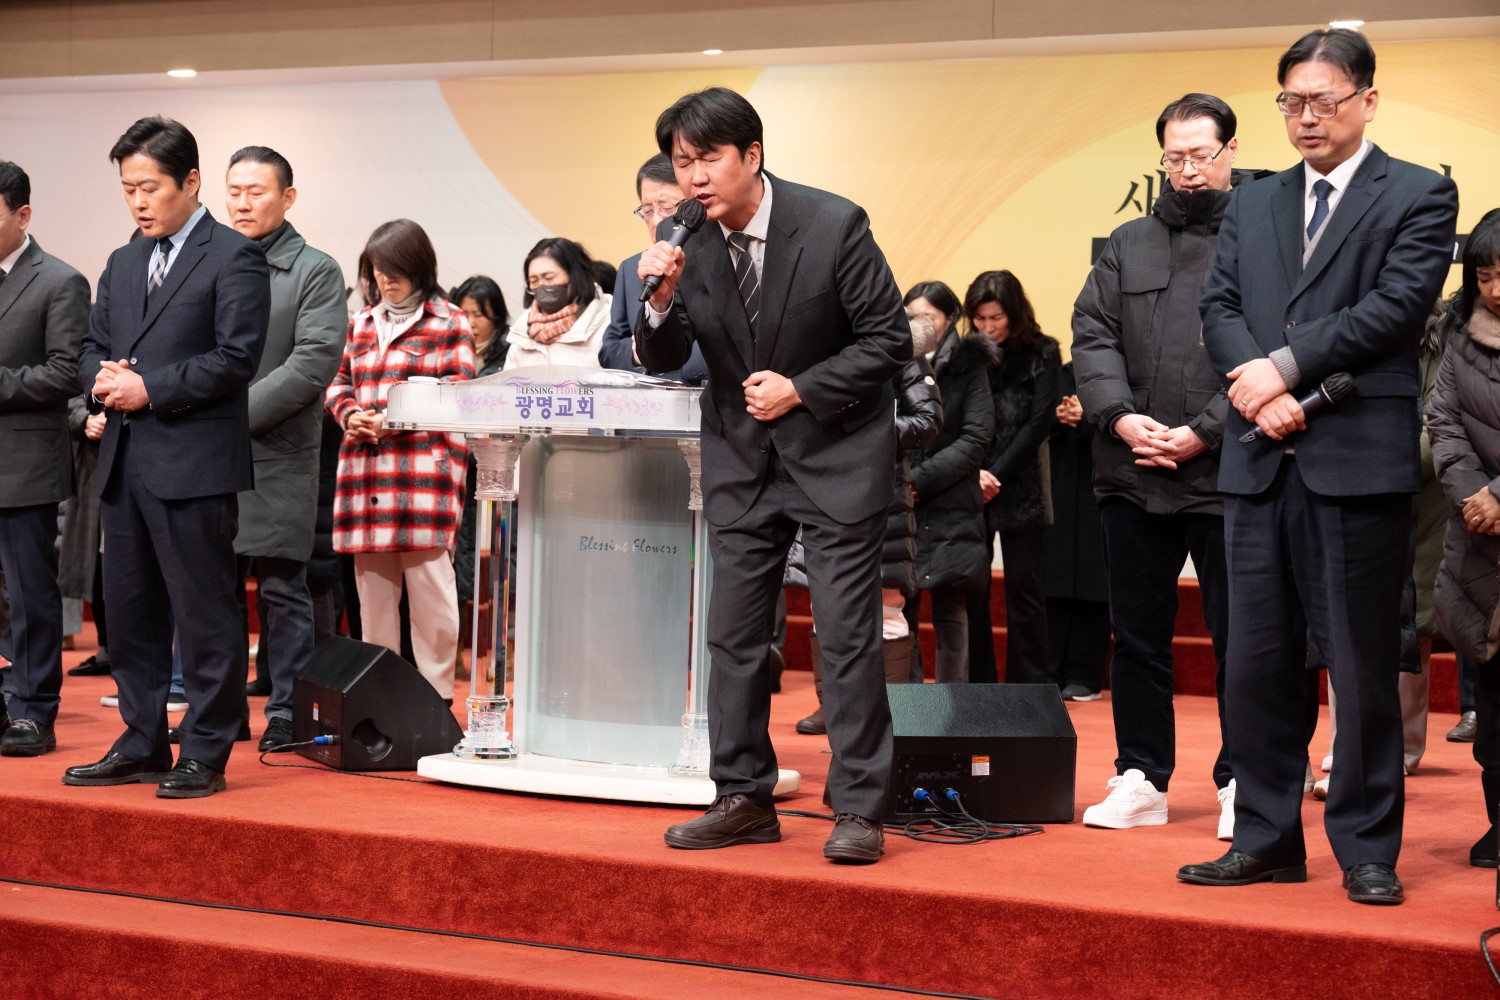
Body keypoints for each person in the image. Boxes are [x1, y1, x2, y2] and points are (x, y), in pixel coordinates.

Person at [1177, 29, 1458, 905]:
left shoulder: (1418, 193)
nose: (1306, 117)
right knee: (1255, 664)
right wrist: (1260, 391)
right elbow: (1220, 305)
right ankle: (1265, 838)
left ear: (1367, 101)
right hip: (1259, 458)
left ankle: (1367, 847)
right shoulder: (1255, 200)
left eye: (1323, 100)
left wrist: (1285, 369)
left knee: (1361, 667)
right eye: (1291, 101)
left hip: (1356, 461)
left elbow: (1397, 308)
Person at [635, 86, 911, 863]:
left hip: (835, 453)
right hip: (741, 461)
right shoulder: (685, 244)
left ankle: (859, 807)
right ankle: (743, 797)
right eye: (681, 163)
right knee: (733, 640)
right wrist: (658, 303)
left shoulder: (832, 224)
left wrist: (802, 389)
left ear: (751, 156)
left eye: (708, 159)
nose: (694, 179)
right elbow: (661, 357)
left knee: (846, 637)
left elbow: (889, 340)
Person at [64, 117, 271, 798]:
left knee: (204, 614)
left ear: (190, 181)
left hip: (194, 465)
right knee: (129, 613)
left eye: (149, 187)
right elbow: (91, 345)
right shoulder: (124, 261)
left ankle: (206, 748)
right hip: (124, 464)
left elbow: (236, 357)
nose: (138, 202)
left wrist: (148, 387)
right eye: (128, 189)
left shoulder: (233, 255)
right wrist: (102, 377)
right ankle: (142, 739)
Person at [1071, 94, 1260, 838]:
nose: (1187, 170)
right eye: (1174, 157)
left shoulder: (1261, 237)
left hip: (1230, 473)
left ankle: (1245, 779)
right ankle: (1142, 776)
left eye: (1200, 155)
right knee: (1137, 637)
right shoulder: (1129, 241)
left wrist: (1205, 432)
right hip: (1133, 470)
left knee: (1242, 638)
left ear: (1231, 150)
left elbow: (1274, 348)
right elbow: (1093, 333)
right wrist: (1121, 418)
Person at [224, 146, 347, 753]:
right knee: (211, 591)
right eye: (234, 192)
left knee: (282, 588)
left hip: (277, 452)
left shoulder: (315, 269)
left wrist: (227, 418)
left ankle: (287, 713)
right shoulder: (213, 260)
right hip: (208, 454)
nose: (243, 204)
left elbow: (312, 363)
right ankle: (217, 711)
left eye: (257, 191)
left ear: (287, 197)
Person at [325, 219, 475, 703]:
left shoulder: (450, 321)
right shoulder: (361, 322)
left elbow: (459, 391)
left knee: (432, 601)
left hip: (422, 480)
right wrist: (351, 416)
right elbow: (338, 383)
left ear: (419, 268)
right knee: (373, 606)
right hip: (366, 476)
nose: (385, 279)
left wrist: (393, 419)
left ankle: (436, 702)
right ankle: (381, 704)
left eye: (395, 269)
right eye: (377, 269)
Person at [793, 309, 941, 733]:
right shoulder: (813, 338)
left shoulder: (901, 344)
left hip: (882, 491)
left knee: (886, 608)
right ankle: (832, 706)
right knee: (824, 608)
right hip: (817, 485)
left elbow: (928, 422)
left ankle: (889, 713)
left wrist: (861, 430)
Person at [0, 159, 89, 756]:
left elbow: (65, 374)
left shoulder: (59, 281)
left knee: (30, 595)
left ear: (23, 214)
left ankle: (33, 711)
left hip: (24, 464)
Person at [1426, 208, 1500, 868]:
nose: (1496, 290)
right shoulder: (1460, 336)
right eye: (1484, 276)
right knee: (1493, 707)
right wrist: (1474, 494)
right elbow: (1443, 423)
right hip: (1479, 541)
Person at [965, 271, 1059, 685]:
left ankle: (1030, 688)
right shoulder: (969, 355)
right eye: (980, 318)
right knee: (974, 590)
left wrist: (995, 473)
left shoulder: (1043, 352)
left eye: (996, 318)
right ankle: (978, 686)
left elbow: (1038, 424)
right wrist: (975, 474)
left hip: (1022, 484)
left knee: (1024, 589)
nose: (987, 327)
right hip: (971, 484)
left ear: (1015, 313)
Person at [904, 281, 996, 684]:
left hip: (951, 498)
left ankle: (951, 706)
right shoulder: (889, 360)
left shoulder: (969, 364)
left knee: (951, 608)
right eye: (911, 315)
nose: (919, 323)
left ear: (950, 319)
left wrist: (919, 480)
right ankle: (905, 707)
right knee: (900, 607)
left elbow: (976, 437)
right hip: (901, 499)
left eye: (929, 316)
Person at [599, 153, 707, 384]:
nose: (657, 221)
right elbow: (609, 350)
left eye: (666, 207)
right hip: (650, 399)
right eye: (647, 210)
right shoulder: (631, 268)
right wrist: (643, 351)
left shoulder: (718, 261)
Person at [1041, 361, 1110, 703]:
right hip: (1059, 486)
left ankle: (1084, 674)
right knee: (1052, 581)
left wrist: (1088, 418)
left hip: (1103, 489)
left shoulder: (1120, 373)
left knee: (1094, 584)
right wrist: (1057, 417)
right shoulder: (1056, 373)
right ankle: (1048, 670)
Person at [451, 274, 512, 644]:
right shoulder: (449, 348)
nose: (471, 322)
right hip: (455, 471)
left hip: (492, 472)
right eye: (465, 313)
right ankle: (459, 647)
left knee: (492, 561)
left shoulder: (508, 355)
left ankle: (493, 646)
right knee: (459, 560)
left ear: (496, 316)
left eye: (479, 314)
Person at [502, 237, 607, 370]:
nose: (541, 285)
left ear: (576, 275)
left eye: (549, 278)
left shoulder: (607, 323)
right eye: (533, 281)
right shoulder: (521, 332)